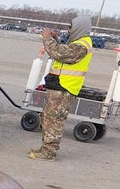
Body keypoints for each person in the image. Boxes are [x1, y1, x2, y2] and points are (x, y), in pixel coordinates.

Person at [29, 15, 93, 161]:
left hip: (64, 88)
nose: (68, 31)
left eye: (71, 28)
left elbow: (60, 54)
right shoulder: (77, 43)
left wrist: (47, 38)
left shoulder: (82, 45)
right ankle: (45, 148)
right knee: (47, 118)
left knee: (54, 121)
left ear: (78, 28)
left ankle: (48, 152)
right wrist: (55, 40)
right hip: (58, 85)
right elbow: (61, 51)